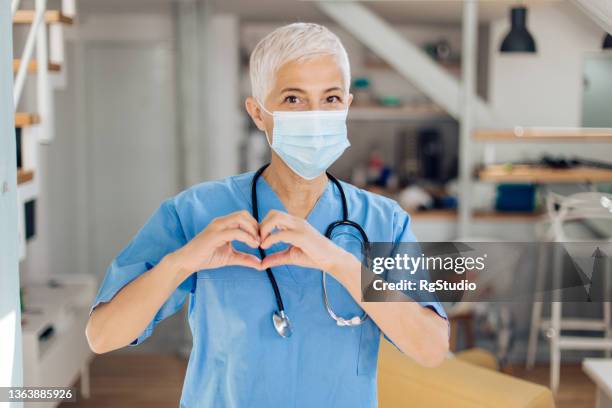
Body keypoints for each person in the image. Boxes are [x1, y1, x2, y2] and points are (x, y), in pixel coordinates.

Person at [85, 22, 449, 407]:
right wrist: (182, 262)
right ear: (258, 113)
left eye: (330, 98)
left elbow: (431, 348)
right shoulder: (198, 212)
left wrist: (341, 264)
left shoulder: (381, 221)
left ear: (346, 106)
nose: (314, 114)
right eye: (293, 99)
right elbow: (102, 335)